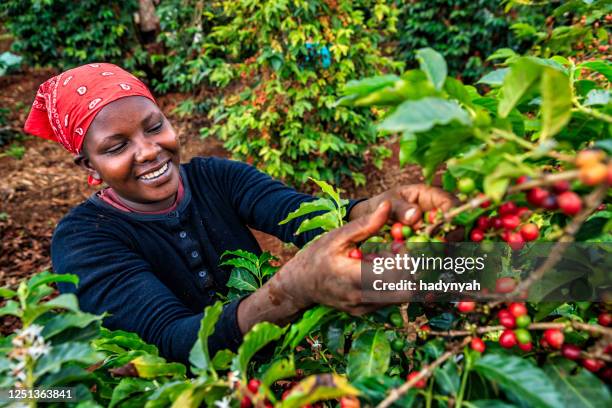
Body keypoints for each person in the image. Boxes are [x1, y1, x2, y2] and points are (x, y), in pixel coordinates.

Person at [24, 63, 454, 365]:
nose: (150, 150)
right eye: (117, 147)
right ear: (89, 167)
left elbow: (302, 215)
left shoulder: (216, 177)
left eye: (154, 126)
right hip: (189, 394)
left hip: (284, 370)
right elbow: (174, 342)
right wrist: (294, 289)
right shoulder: (84, 240)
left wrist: (378, 208)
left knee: (490, 274)